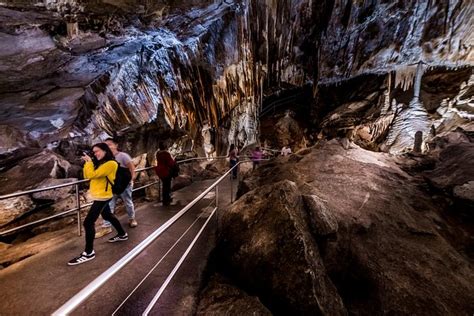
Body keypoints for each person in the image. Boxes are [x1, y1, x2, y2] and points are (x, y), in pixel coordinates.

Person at [68, 143, 128, 266]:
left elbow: (92, 175)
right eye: (94, 152)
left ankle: (88, 253)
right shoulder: (101, 163)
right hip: (100, 195)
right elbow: (87, 175)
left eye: (97, 151)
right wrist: (87, 163)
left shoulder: (110, 163)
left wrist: (89, 163)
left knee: (88, 222)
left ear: (105, 151)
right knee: (107, 216)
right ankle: (122, 234)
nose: (95, 154)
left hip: (102, 197)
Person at [104, 138, 137, 228]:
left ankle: (132, 218)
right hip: (113, 185)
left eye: (110, 144)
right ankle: (107, 224)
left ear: (116, 145)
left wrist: (132, 179)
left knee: (128, 202)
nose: (108, 147)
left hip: (125, 184)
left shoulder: (123, 156)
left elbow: (131, 167)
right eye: (105, 145)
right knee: (109, 204)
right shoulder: (107, 158)